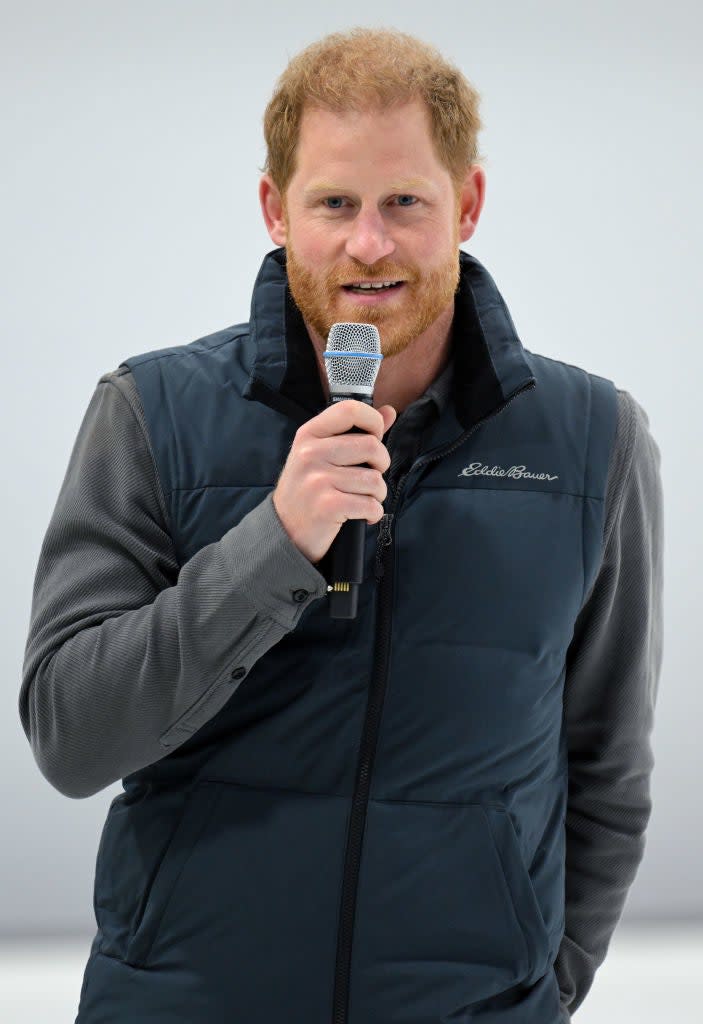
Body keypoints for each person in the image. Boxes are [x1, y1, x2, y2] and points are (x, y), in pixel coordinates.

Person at [19, 27, 664, 1024]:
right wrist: (273, 541)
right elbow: (70, 734)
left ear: (468, 205)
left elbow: (606, 765)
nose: (369, 243)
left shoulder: (592, 441)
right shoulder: (151, 412)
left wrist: (541, 984)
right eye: (334, 203)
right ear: (276, 210)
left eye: (405, 201)